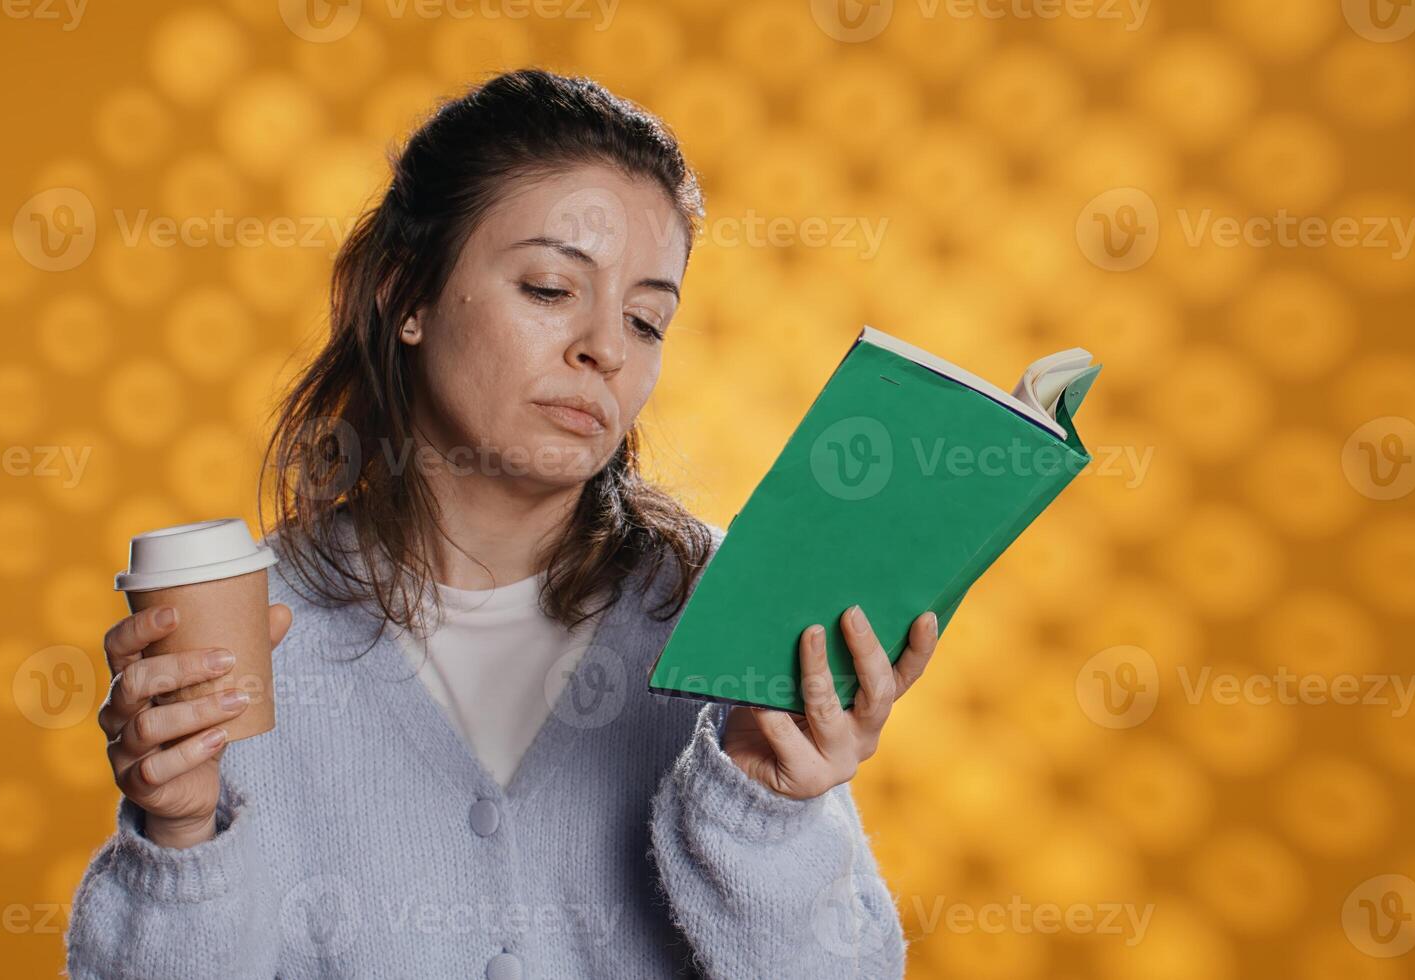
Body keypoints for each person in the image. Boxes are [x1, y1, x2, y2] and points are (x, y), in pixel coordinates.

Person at [64, 68, 942, 978]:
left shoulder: (722, 600)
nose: (605, 347)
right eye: (552, 289)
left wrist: (768, 806)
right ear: (409, 296)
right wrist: (178, 839)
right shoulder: (249, 631)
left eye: (646, 320)